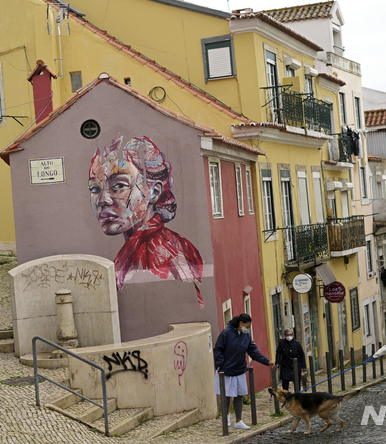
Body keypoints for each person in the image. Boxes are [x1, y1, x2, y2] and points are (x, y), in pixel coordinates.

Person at [88, 135, 204, 306]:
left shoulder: (158, 252)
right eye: (95, 188)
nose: (102, 199)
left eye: (119, 186)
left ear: (153, 193)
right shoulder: (142, 245)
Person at [213, 313, 271, 430]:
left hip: (239, 369)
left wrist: (266, 361)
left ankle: (238, 420)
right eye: (247, 326)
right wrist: (221, 366)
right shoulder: (226, 334)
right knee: (227, 395)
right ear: (241, 323)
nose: (248, 329)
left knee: (239, 394)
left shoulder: (246, 336)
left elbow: (253, 352)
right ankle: (226, 417)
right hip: (227, 370)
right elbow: (218, 350)